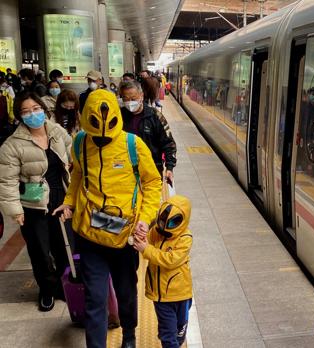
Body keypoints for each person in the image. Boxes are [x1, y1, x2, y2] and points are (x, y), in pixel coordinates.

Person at [53, 89, 161, 348]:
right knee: (95, 297)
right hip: (89, 235)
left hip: (125, 237)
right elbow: (78, 175)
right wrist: (69, 202)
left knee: (126, 294)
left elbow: (153, 182)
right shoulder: (79, 142)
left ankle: (130, 336)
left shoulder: (133, 145)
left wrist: (145, 220)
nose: (101, 138)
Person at [0, 90, 73, 311]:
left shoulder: (57, 132)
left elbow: (73, 155)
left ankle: (64, 286)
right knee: (40, 251)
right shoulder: (11, 145)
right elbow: (7, 181)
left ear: (43, 109)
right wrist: (15, 210)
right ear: (20, 117)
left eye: (36, 109)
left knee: (63, 247)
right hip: (33, 204)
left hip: (60, 198)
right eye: (26, 112)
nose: (32, 114)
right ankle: (47, 289)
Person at [133, 195, 193, 348]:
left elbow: (170, 260)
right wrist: (140, 234)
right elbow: (147, 240)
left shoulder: (185, 239)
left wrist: (146, 249)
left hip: (182, 294)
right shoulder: (157, 231)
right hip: (161, 297)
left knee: (178, 330)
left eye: (172, 222)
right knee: (168, 335)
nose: (165, 227)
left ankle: (175, 332)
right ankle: (168, 334)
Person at [119, 81, 177, 181]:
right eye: (126, 99)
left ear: (141, 96)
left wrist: (169, 167)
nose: (129, 102)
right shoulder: (119, 116)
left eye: (133, 99)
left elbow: (168, 143)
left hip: (152, 169)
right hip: (126, 170)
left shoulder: (154, 116)